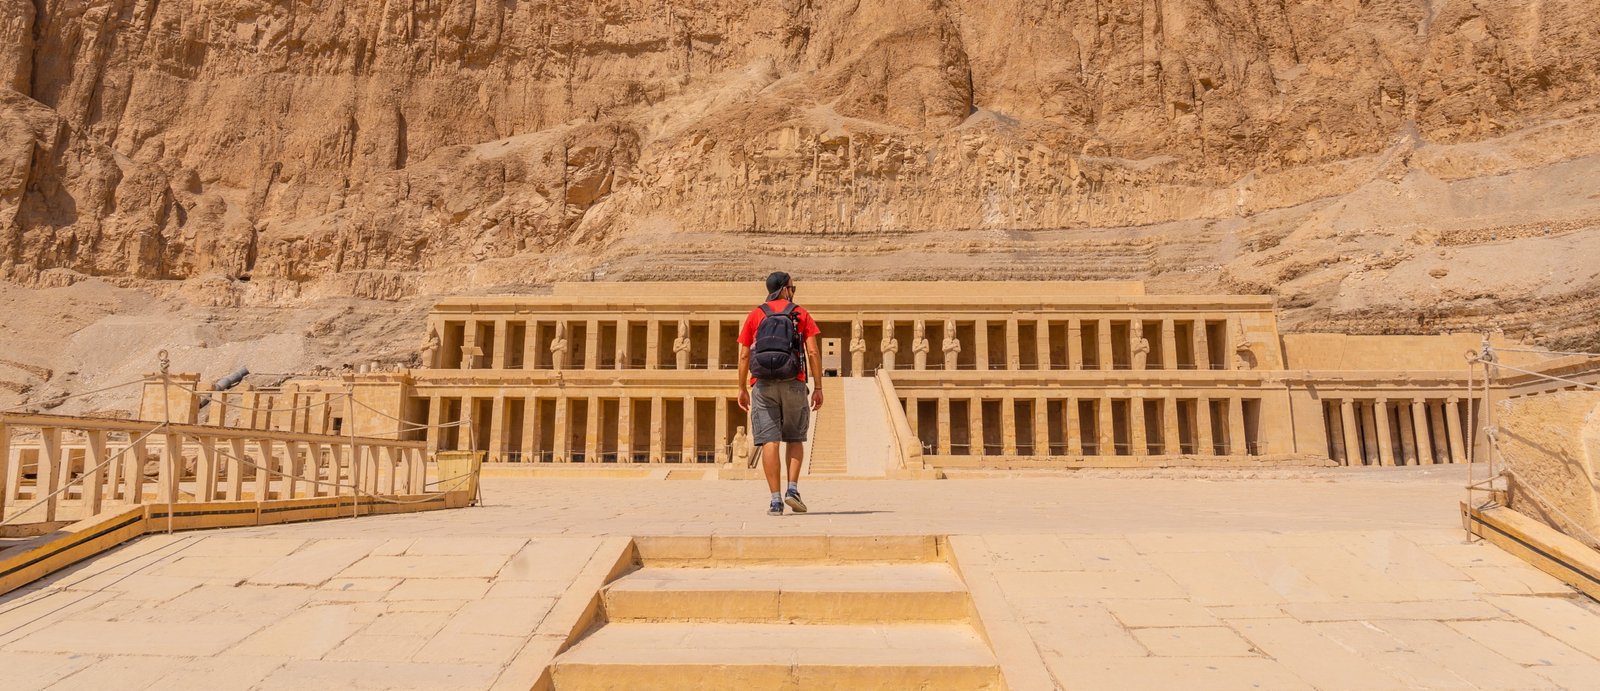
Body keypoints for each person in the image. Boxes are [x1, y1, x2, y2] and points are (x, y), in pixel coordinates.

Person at [737, 271, 823, 516]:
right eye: (792, 288)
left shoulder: (756, 314)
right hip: (794, 380)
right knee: (795, 437)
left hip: (762, 384)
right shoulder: (800, 313)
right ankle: (792, 490)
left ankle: (775, 500)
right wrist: (818, 387)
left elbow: (744, 355)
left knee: (769, 441)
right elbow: (813, 353)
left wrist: (742, 388)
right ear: (785, 289)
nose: (793, 292)